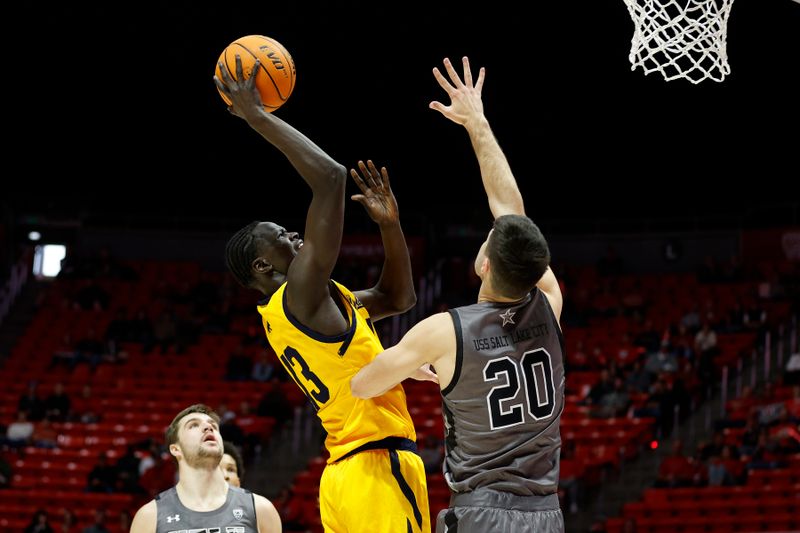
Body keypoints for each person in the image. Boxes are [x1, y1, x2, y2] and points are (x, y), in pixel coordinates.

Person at [217, 55, 431, 533]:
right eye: (280, 235)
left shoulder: (299, 308)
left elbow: (397, 299)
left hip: (346, 476)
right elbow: (332, 178)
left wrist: (391, 228)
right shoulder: (299, 295)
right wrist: (257, 116)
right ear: (262, 265)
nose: (294, 233)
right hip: (374, 468)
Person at [351, 57, 565, 533]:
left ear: (485, 265)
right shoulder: (549, 305)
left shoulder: (444, 331)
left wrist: (413, 366)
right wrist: (478, 123)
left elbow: (362, 385)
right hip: (547, 512)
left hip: (483, 510)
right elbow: (510, 209)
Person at [129, 404, 281, 533]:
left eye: (213, 426)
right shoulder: (149, 517)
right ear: (176, 449)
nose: (208, 427)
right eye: (194, 425)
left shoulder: (260, 509)